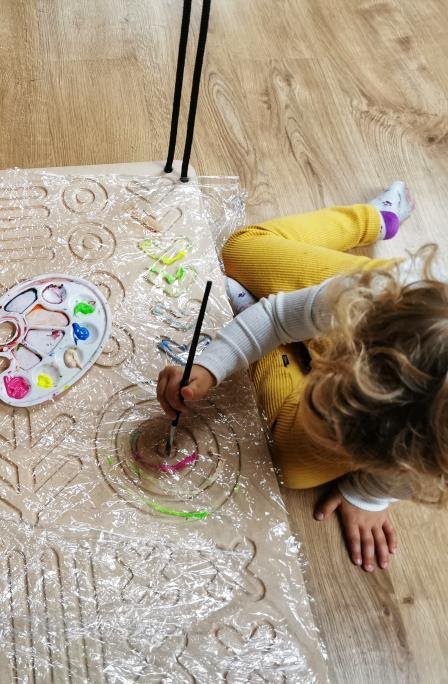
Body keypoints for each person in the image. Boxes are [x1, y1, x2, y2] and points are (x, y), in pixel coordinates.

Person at [157, 183, 447, 572]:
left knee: (294, 470)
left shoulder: (425, 457)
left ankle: (251, 313)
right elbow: (277, 318)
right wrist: (211, 366)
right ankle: (376, 219)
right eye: (322, 398)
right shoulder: (370, 301)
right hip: (377, 306)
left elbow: (408, 475)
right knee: (241, 250)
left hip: (397, 396)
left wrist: (368, 495)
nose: (314, 393)